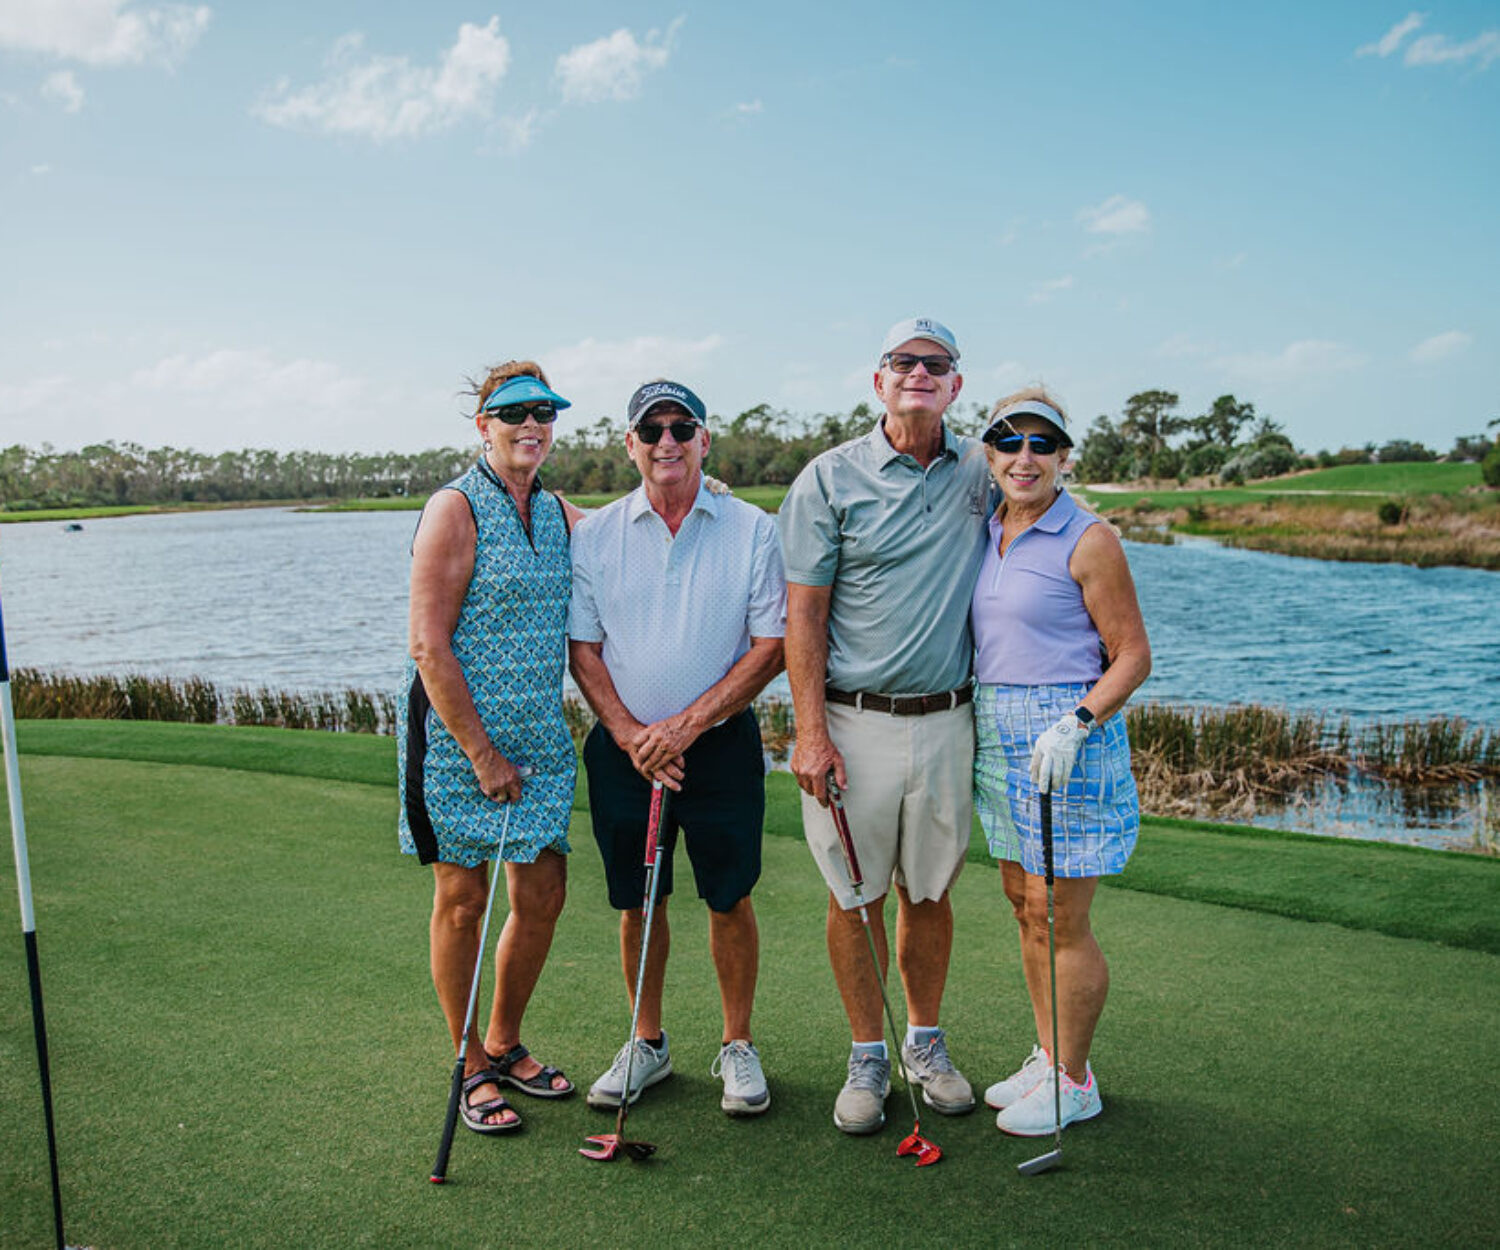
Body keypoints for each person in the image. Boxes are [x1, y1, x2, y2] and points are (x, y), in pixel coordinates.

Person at [779, 318, 992, 1135]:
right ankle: (867, 1055)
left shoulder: (982, 467)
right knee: (854, 894)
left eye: (935, 366)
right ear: (879, 382)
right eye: (904, 363)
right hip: (851, 720)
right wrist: (808, 732)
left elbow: (1043, 484)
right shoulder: (829, 479)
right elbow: (804, 615)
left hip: (947, 718)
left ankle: (925, 1045)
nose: (919, 374)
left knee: (929, 890)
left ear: (954, 387)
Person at [569, 379, 787, 1119]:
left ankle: (737, 1044)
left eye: (681, 427)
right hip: (625, 751)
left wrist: (686, 727)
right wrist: (635, 737)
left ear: (704, 439)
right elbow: (584, 648)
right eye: (651, 429)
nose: (668, 440)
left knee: (729, 897)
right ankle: (647, 1041)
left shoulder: (752, 527)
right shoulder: (595, 535)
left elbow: (771, 647)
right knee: (637, 901)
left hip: (719, 748)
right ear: (630, 444)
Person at [398, 361, 584, 1135]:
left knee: (542, 894)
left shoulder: (559, 510)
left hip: (538, 739)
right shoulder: (455, 507)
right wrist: (480, 754)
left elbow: (637, 529)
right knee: (463, 898)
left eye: (543, 412)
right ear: (485, 427)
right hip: (454, 741)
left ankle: (505, 1041)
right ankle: (469, 1059)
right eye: (513, 414)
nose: (530, 424)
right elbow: (427, 644)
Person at [970, 387, 1151, 1136]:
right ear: (989, 456)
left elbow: (1133, 655)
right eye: (1010, 443)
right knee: (1023, 902)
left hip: (1064, 740)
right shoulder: (985, 529)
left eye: (1042, 445)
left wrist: (1077, 723)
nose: (1025, 457)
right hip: (995, 735)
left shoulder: (1089, 536)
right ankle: (1049, 1056)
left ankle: (1076, 1082)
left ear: (1064, 457)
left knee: (1060, 916)